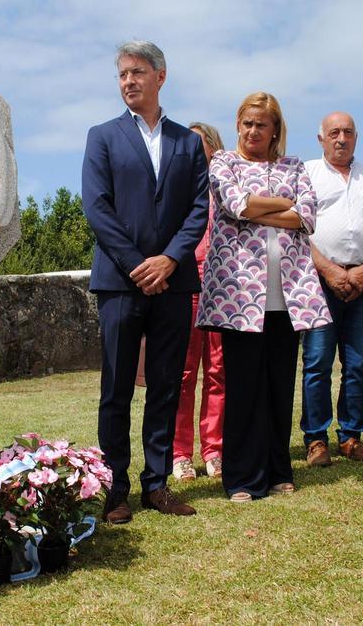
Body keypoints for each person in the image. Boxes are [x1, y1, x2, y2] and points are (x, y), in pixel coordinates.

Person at [82, 40, 208, 523]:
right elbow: (97, 207)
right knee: (116, 386)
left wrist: (170, 260)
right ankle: (115, 489)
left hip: (173, 285)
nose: (128, 82)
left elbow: (198, 210)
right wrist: (140, 264)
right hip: (119, 282)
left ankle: (157, 484)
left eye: (136, 72)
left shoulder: (187, 141)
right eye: (121, 75)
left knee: (165, 386)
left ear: (160, 76)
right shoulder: (103, 136)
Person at [197, 92, 331, 502]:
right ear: (238, 125)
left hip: (287, 296)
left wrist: (265, 208)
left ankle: (276, 469)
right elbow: (236, 204)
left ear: (276, 131)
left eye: (262, 124)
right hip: (239, 297)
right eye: (247, 123)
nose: (253, 131)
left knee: (278, 386)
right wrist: (284, 206)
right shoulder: (224, 163)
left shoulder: (293, 166)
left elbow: (307, 216)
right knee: (242, 387)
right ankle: (241, 478)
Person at [300, 112, 363, 466]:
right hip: (319, 280)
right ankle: (316, 440)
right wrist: (329, 269)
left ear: (356, 137)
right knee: (317, 362)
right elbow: (298, 230)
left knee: (359, 363)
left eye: (347, 132)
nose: (341, 138)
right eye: (333, 133)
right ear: (321, 139)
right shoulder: (307, 173)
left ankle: (351, 436)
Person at [171, 122, 227, 481]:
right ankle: (179, 454)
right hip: (186, 287)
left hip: (223, 290)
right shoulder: (176, 189)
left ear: (213, 147)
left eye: (200, 141)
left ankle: (215, 450)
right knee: (183, 374)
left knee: (220, 373)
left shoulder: (226, 189)